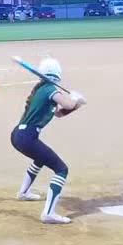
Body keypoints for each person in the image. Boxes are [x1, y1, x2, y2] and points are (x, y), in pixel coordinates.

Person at [9, 58, 86, 225]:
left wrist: (77, 104)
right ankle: (48, 213)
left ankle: (23, 193)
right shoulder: (50, 89)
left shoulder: (43, 89)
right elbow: (67, 103)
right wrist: (74, 99)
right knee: (61, 169)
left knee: (40, 158)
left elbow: (59, 113)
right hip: (27, 137)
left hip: (19, 135)